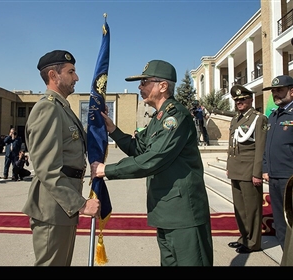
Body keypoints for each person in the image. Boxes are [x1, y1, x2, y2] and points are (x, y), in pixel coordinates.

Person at [90, 59, 213, 266]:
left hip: (183, 213)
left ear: (163, 86)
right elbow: (138, 148)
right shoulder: (158, 118)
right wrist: (113, 130)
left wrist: (107, 170)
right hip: (165, 210)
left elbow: (153, 159)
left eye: (145, 82)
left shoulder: (175, 117)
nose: (140, 86)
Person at [21, 50, 100, 266]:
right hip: (53, 208)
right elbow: (47, 168)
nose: (76, 77)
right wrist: (80, 204)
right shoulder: (47, 109)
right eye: (71, 72)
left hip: (62, 207)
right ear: (54, 76)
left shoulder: (63, 108)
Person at [226, 85, 268, 254]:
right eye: (237, 101)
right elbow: (232, 146)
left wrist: (257, 173)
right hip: (236, 169)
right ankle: (244, 237)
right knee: (240, 208)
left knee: (252, 209)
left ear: (251, 99)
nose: (239, 103)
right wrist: (229, 167)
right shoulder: (236, 119)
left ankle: (253, 243)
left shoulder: (259, 118)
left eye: (242, 100)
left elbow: (260, 148)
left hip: (250, 170)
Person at [262, 75, 293, 250]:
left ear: (292, 91)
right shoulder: (273, 116)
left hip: (290, 178)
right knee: (280, 222)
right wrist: (265, 168)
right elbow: (267, 146)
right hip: (274, 177)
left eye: (279, 90)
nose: (276, 94)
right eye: (274, 91)